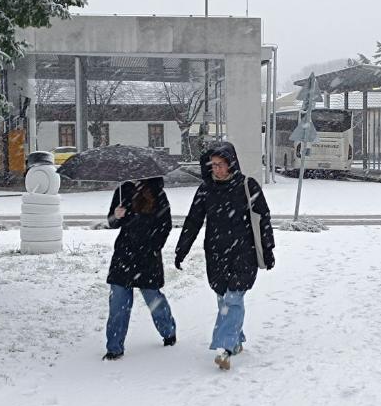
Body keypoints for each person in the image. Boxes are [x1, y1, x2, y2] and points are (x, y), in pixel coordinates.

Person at [175, 142, 275, 370]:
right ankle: (236, 340)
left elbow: (264, 220)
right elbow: (193, 222)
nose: (216, 169)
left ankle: (224, 348)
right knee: (224, 299)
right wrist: (182, 249)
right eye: (213, 165)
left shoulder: (248, 186)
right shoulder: (205, 190)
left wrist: (268, 250)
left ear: (231, 164)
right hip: (216, 254)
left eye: (220, 165)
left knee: (233, 298)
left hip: (244, 253)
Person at [103, 177, 176, 361]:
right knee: (118, 304)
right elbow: (112, 222)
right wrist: (115, 216)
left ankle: (168, 332)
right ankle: (114, 348)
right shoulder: (122, 190)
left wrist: (154, 246)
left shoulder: (157, 193)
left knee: (154, 299)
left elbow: (165, 224)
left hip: (147, 257)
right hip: (124, 256)